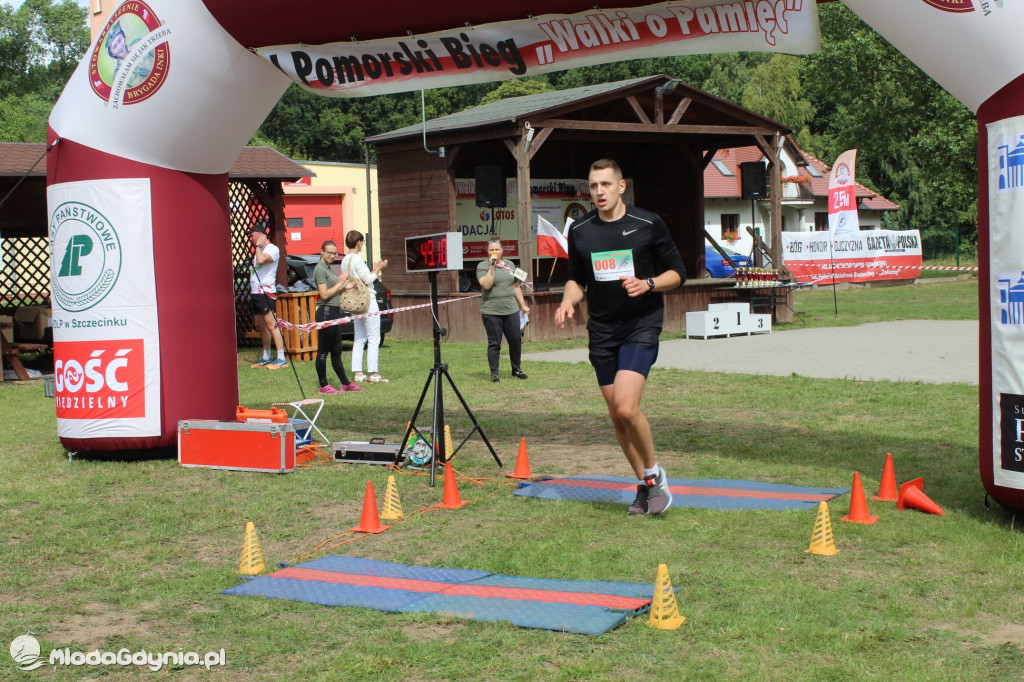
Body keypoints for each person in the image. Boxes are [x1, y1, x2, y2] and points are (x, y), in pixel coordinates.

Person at [554, 159, 686, 515]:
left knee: (627, 406)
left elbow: (679, 272)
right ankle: (645, 485)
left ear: (621, 186)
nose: (598, 192)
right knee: (616, 416)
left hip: (641, 324)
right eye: (594, 185)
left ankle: (656, 477)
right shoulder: (581, 230)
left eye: (605, 185)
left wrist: (649, 284)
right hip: (602, 330)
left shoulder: (647, 223)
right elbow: (576, 281)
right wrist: (568, 300)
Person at [313, 240, 365, 394]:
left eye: (335, 253)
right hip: (326, 313)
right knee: (323, 351)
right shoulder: (320, 269)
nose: (332, 255)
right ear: (322, 251)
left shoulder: (328, 269)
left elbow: (333, 292)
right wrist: (341, 281)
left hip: (335, 313)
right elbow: (324, 295)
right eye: (329, 252)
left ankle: (345, 384)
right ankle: (323, 386)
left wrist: (344, 288)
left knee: (337, 351)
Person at [477, 237, 530, 382]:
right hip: (491, 312)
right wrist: (492, 266)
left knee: (515, 340)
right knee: (495, 343)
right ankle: (494, 374)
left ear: (502, 250)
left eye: (497, 249)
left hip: (511, 310)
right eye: (491, 249)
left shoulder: (510, 264)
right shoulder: (482, 266)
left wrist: (523, 305)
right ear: (487, 251)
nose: (494, 252)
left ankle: (517, 370)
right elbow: (486, 285)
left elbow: (516, 286)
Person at [343, 231, 389, 383]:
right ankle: (374, 373)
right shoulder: (357, 259)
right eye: (362, 242)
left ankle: (358, 373)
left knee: (359, 338)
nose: (362, 244)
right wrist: (379, 269)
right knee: (374, 337)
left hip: (355, 302)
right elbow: (368, 280)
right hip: (368, 301)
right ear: (359, 242)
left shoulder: (345, 260)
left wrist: (374, 269)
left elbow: (361, 278)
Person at [249, 226, 288, 369]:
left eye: (252, 235)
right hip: (256, 292)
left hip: (266, 292)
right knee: (260, 325)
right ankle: (266, 356)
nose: (250, 238)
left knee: (272, 325)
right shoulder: (259, 250)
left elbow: (261, 261)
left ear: (260, 234)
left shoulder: (272, 248)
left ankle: (281, 357)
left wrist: (259, 245)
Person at [104, 20, 156, 89]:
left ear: (124, 37)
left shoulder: (138, 43)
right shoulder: (117, 75)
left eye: (119, 40)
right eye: (114, 47)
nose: (119, 47)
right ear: (112, 54)